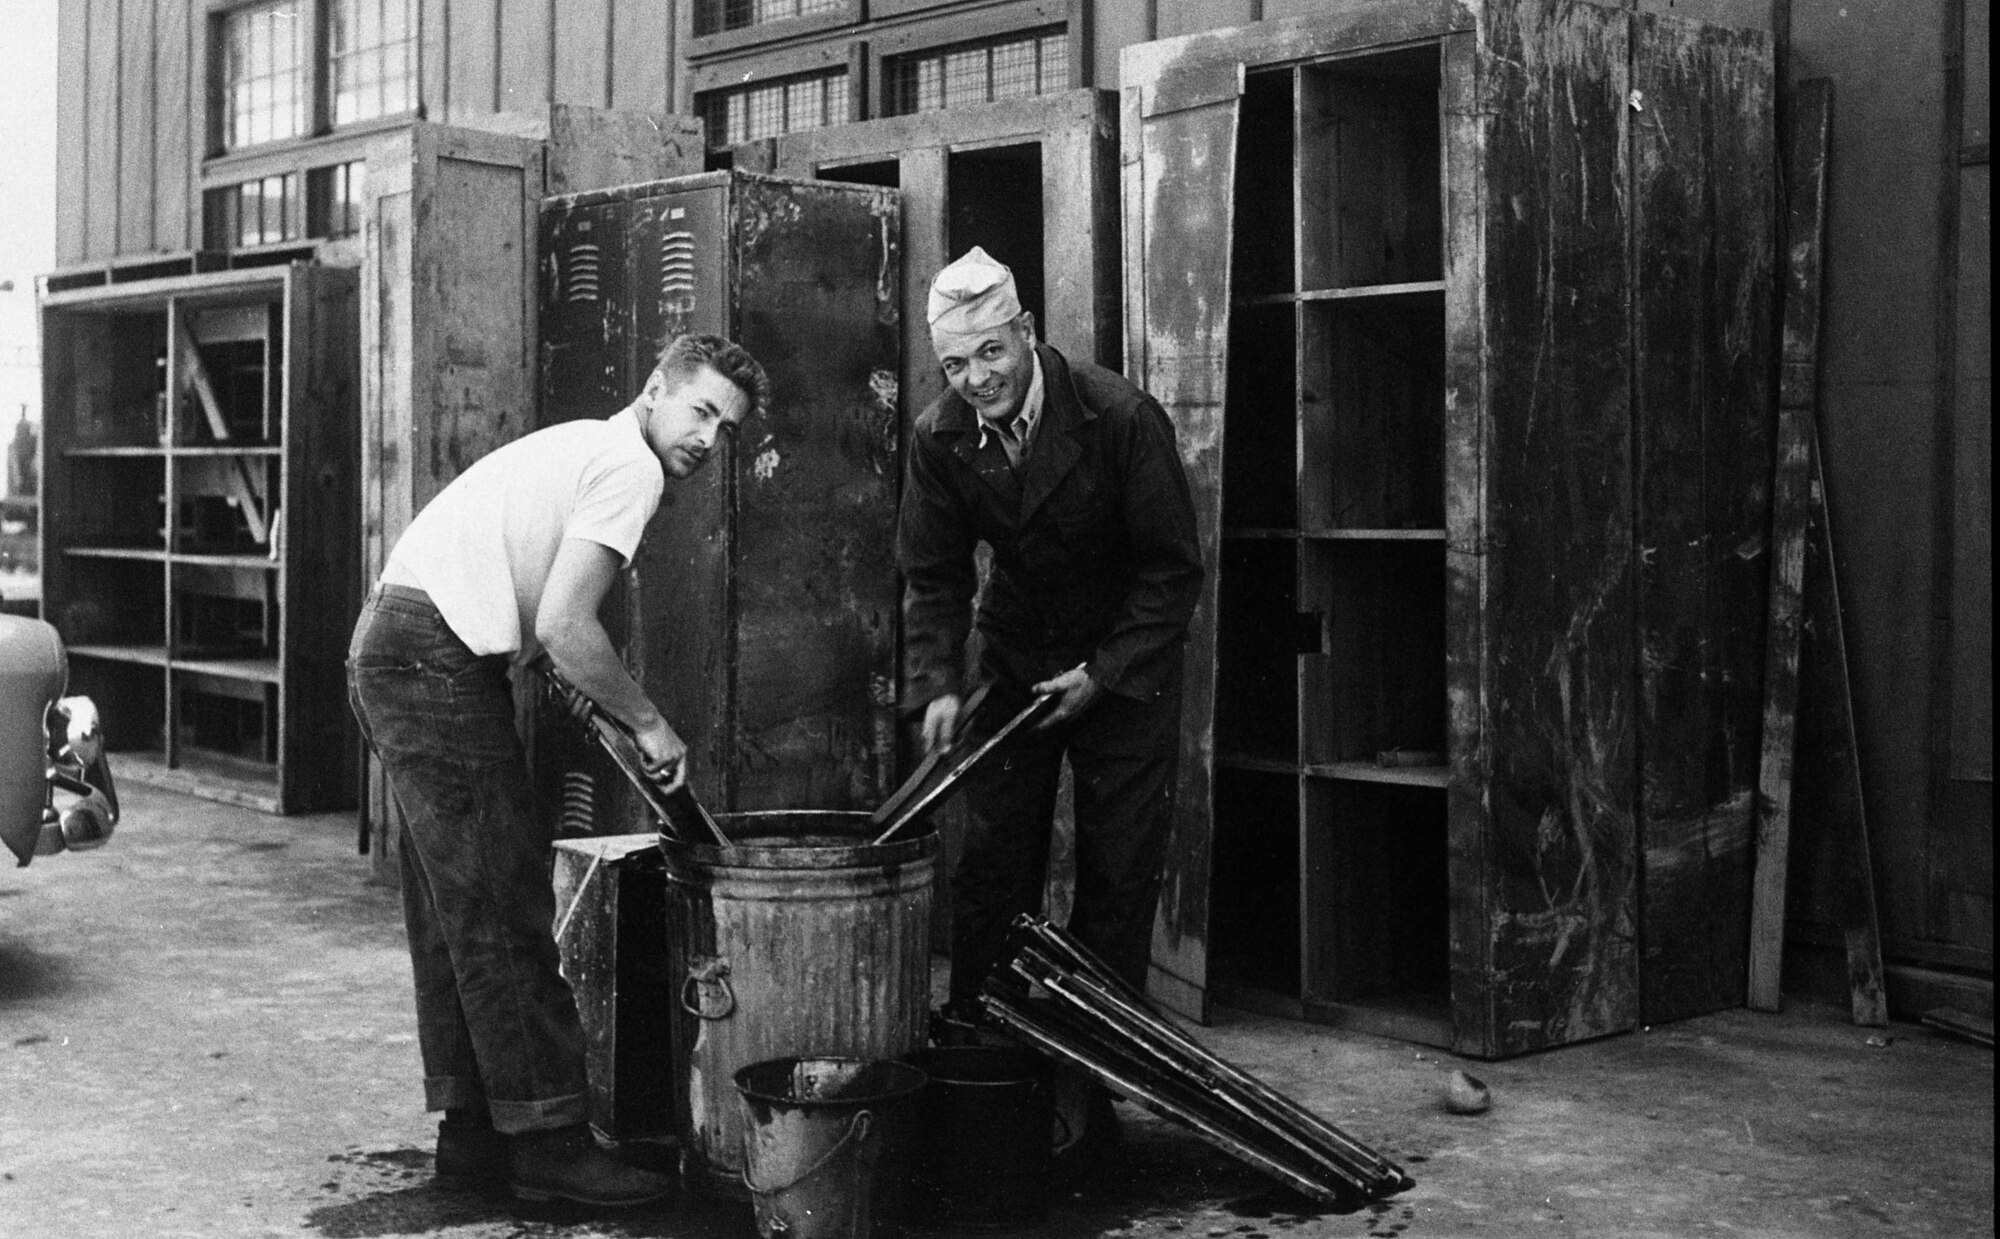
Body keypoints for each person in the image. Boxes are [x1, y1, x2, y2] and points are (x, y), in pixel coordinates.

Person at [347, 334, 767, 1207]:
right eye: (699, 411)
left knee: (457, 904)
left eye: (725, 428)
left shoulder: (589, 445)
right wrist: (650, 723)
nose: (707, 439)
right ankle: (548, 1143)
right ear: (655, 390)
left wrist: (589, 695)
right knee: (502, 900)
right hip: (430, 654)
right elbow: (570, 629)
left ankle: (473, 1134)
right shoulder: (630, 468)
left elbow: (542, 623)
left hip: (399, 642)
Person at [898, 246, 1203, 1032]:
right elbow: (933, 574)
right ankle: (985, 1045)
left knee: (1117, 872)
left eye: (992, 351)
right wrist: (936, 679)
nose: (978, 378)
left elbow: (1171, 574)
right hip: (1018, 651)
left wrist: (1102, 673)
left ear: (1028, 331)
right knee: (994, 860)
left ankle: (1091, 1071)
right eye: (956, 363)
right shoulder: (940, 436)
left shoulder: (1121, 417)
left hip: (1123, 662)